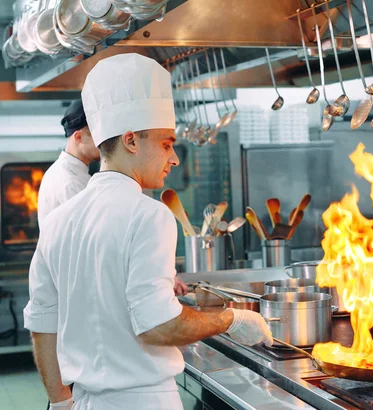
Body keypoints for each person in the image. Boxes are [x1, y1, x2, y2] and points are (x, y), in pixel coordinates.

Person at [23, 53, 273, 410]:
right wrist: (233, 319)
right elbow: (158, 325)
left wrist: (61, 403)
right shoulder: (149, 215)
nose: (174, 159)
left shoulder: (60, 220)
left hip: (83, 401)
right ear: (131, 141)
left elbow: (42, 323)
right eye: (167, 144)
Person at [37, 100, 100, 229]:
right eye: (97, 137)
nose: (101, 143)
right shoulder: (70, 182)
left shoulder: (66, 171)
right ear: (78, 137)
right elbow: (87, 232)